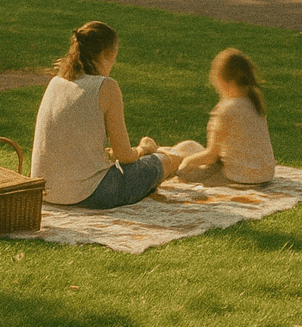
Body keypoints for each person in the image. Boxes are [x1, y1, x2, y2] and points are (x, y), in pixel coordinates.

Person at [30, 21, 184, 208]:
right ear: (110, 54)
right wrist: (143, 148)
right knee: (165, 160)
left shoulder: (56, 82)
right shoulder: (107, 86)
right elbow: (124, 156)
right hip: (91, 193)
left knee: (143, 162)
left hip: (45, 191)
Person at [167, 48, 277, 187]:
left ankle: (160, 156)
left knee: (184, 168)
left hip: (240, 177)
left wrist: (187, 162)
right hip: (265, 175)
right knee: (190, 146)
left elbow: (211, 156)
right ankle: (163, 152)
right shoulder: (253, 103)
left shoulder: (226, 110)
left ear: (220, 79)